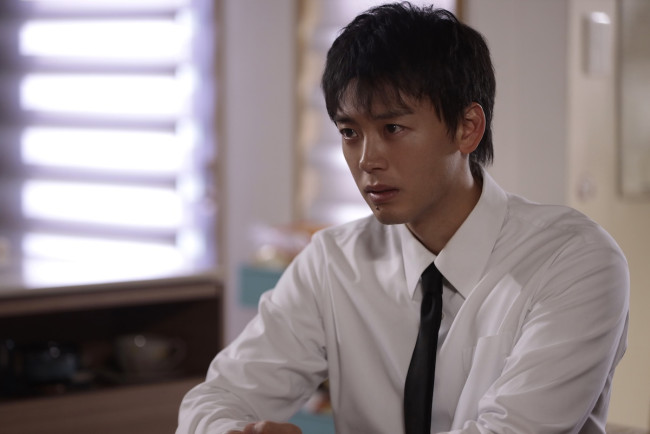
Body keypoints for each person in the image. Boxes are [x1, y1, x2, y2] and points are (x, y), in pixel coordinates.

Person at [177, 3, 629, 433]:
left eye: (392, 128)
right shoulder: (334, 262)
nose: (366, 160)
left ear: (468, 128)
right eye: (350, 133)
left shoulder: (573, 261)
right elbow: (217, 398)